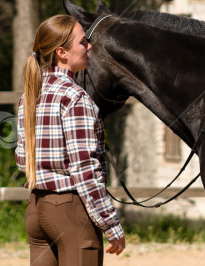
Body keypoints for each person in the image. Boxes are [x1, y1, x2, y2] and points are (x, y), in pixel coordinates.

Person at [16, 15, 126, 265]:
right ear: (62, 52)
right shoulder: (74, 98)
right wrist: (110, 223)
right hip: (70, 211)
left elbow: (22, 159)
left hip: (35, 210)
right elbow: (84, 169)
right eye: (83, 42)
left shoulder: (30, 95)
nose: (89, 47)